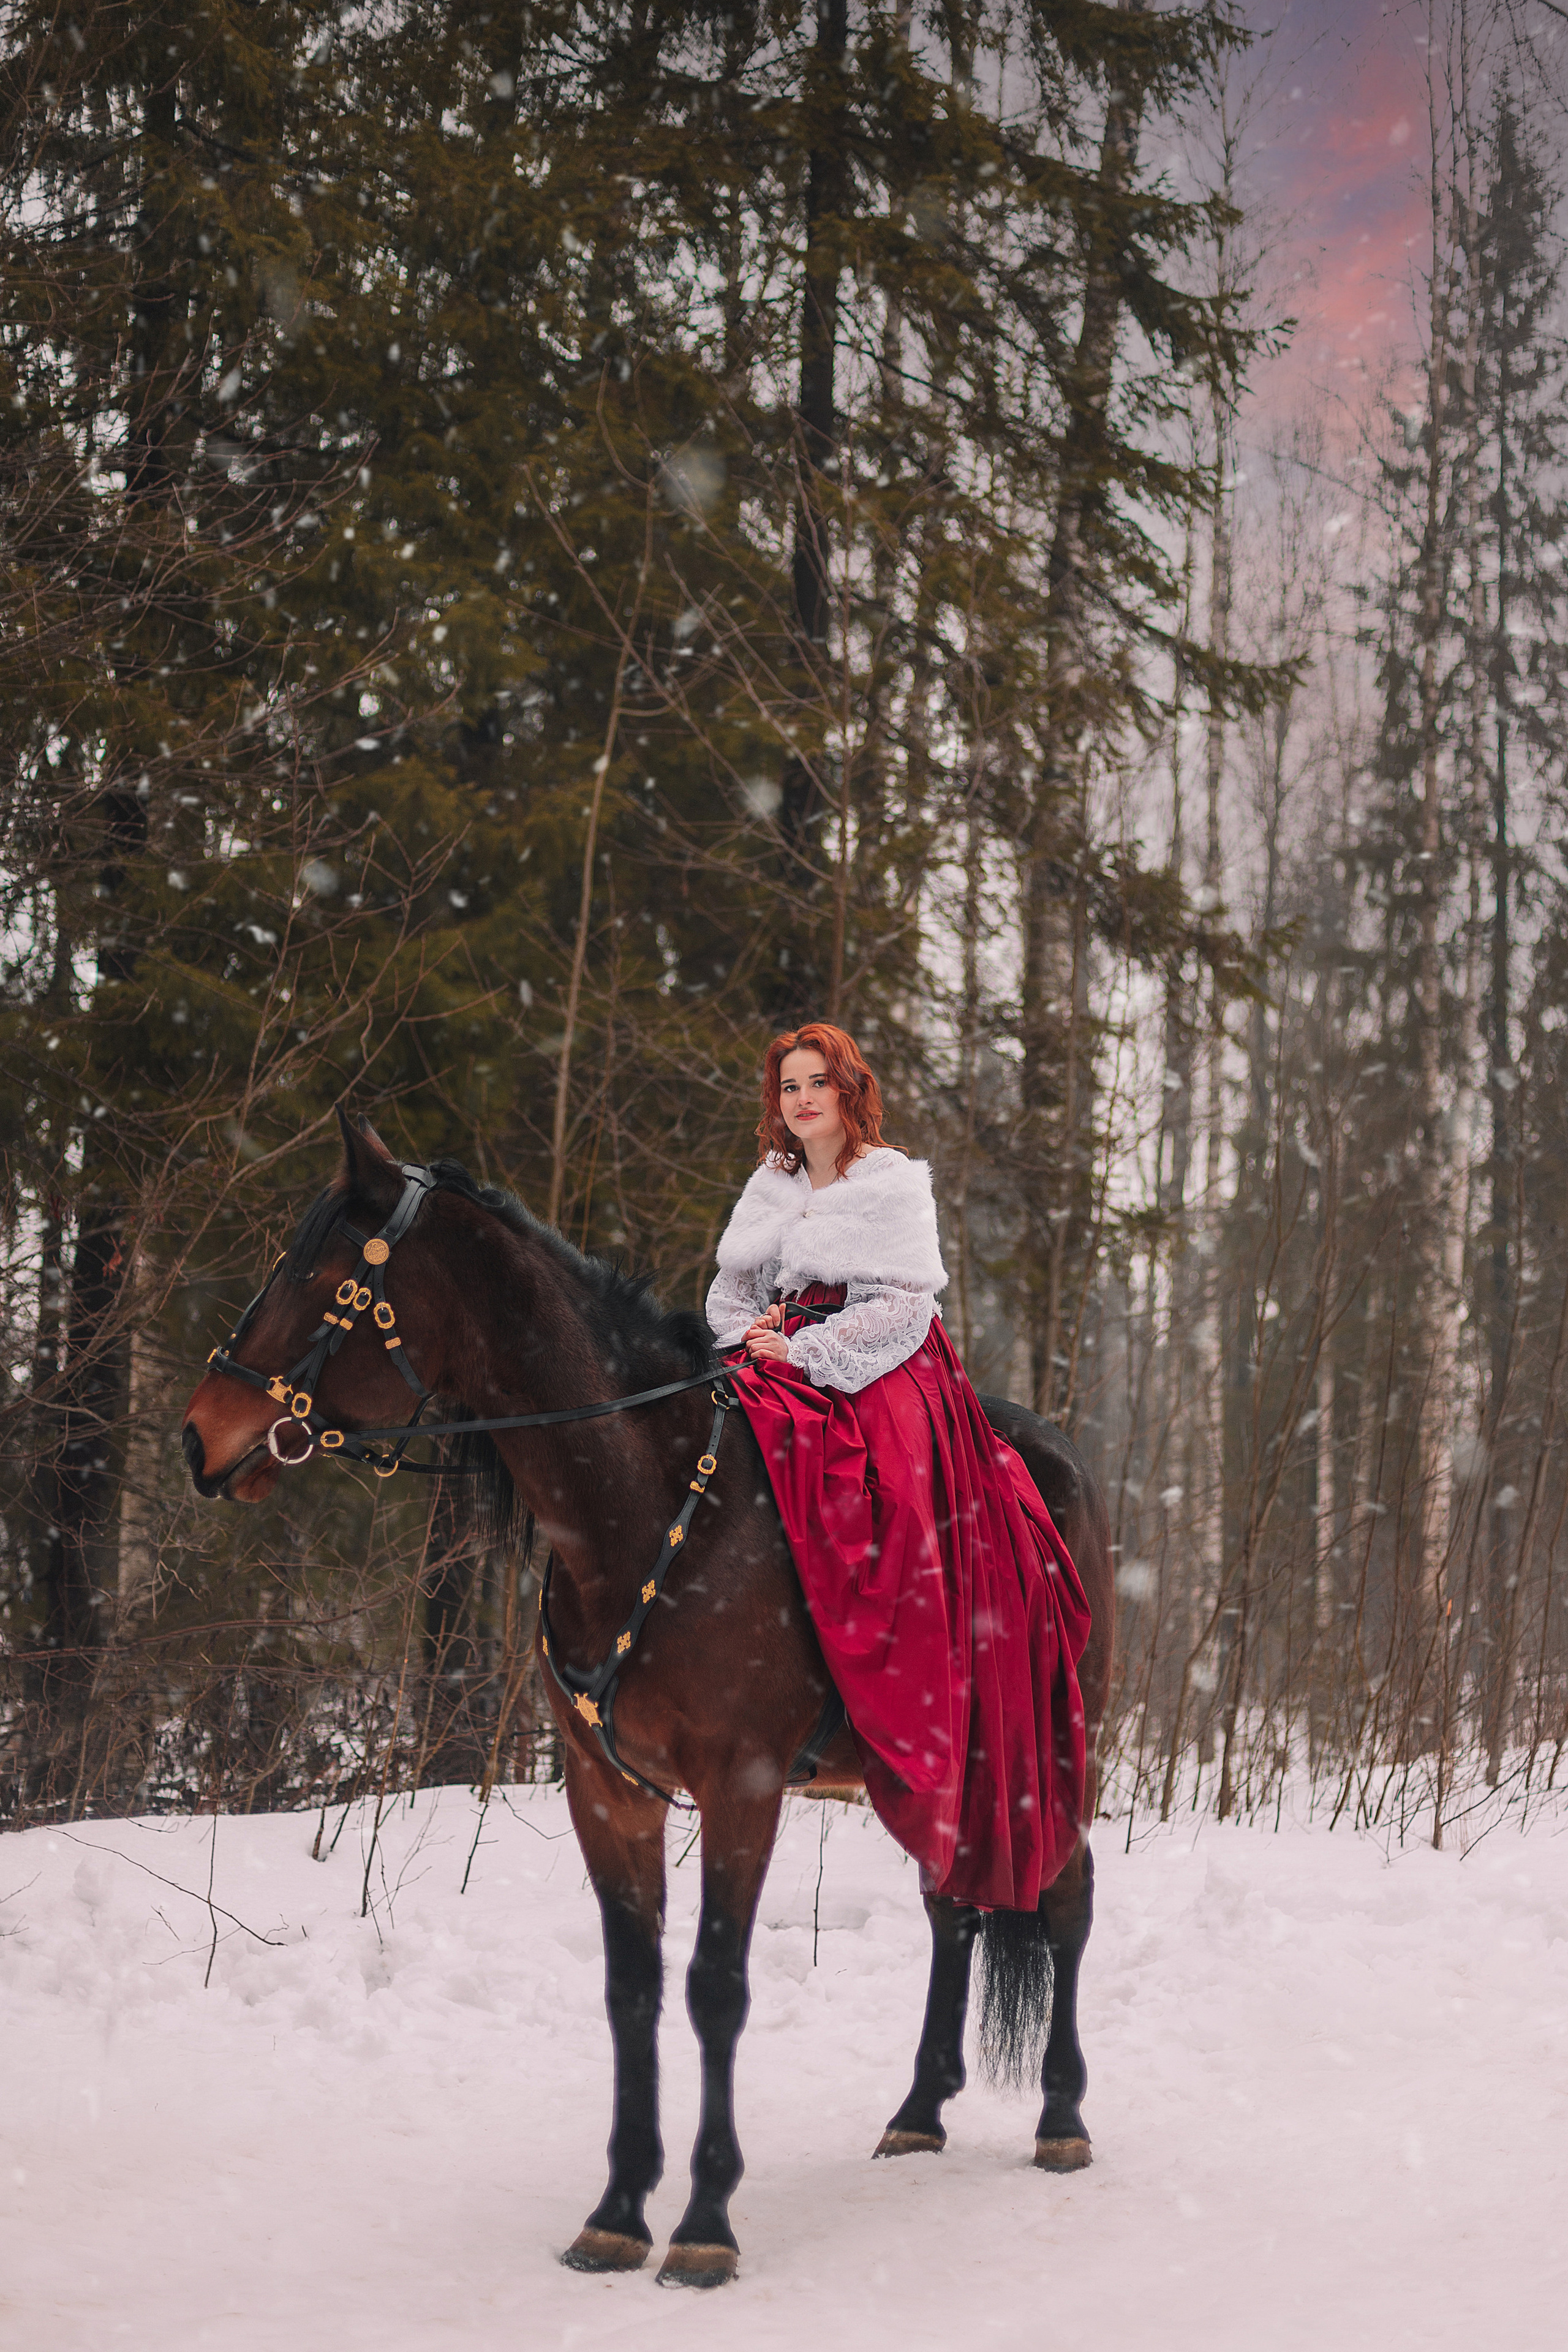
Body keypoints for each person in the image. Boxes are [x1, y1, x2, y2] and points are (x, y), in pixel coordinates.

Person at [707, 1022, 1091, 1912]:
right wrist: (753, 1335)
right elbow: (730, 1293)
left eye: (817, 1083)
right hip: (771, 1352)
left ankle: (903, 1685)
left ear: (848, 1091)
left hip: (879, 1357)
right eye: (788, 1086)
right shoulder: (771, 1183)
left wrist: (805, 1350)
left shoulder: (890, 1181)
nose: (801, 1100)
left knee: (887, 1497)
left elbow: (902, 1306)